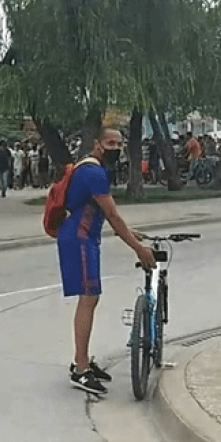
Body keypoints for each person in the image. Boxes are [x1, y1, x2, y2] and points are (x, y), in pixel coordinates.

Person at [57, 127, 156, 395]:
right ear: (98, 144)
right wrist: (138, 249)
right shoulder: (94, 172)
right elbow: (112, 215)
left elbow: (107, 216)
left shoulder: (93, 169)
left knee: (91, 297)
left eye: (119, 143)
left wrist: (130, 234)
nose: (115, 147)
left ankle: (82, 360)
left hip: (83, 236)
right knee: (88, 298)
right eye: (110, 142)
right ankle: (80, 369)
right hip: (79, 239)